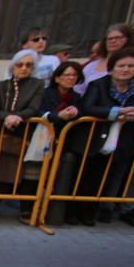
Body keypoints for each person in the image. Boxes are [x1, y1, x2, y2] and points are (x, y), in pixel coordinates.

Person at [89, 48, 134, 226]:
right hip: (101, 136)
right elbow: (88, 107)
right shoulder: (98, 85)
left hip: (129, 137)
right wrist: (116, 112)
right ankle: (94, 208)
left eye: (131, 66)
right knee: (99, 172)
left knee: (122, 172)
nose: (125, 69)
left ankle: (113, 207)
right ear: (112, 68)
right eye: (121, 65)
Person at [0, 49, 44, 225]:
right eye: (20, 64)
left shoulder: (37, 85)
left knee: (6, 174)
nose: (24, 68)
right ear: (13, 66)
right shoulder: (1, 85)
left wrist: (18, 117)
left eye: (28, 65)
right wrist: (6, 117)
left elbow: (34, 107)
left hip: (18, 134)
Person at [38, 61, 85, 226]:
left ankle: (53, 212)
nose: (70, 78)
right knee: (39, 176)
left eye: (74, 75)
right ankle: (36, 208)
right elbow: (39, 111)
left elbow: (85, 113)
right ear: (57, 78)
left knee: (62, 177)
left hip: (67, 142)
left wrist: (76, 113)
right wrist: (57, 116)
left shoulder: (77, 98)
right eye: (66, 75)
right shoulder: (46, 94)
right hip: (44, 140)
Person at [75, 23, 134, 95]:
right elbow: (78, 89)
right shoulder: (92, 65)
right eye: (109, 38)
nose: (112, 41)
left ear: (129, 39)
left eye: (118, 38)